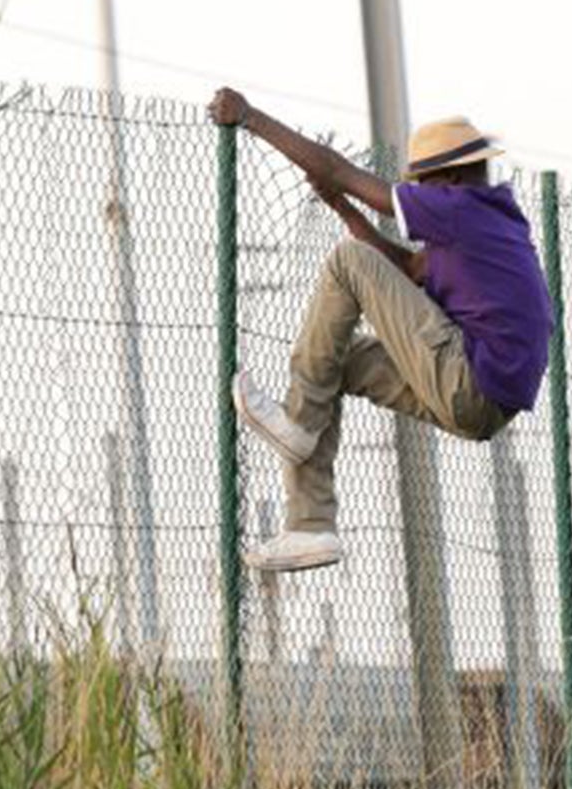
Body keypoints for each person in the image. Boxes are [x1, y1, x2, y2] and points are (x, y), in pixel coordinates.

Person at [207, 87, 552, 572]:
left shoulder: (458, 206)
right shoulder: (486, 225)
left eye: (421, 184)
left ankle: (300, 428)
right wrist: (342, 210)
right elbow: (409, 270)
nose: (416, 194)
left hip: (468, 378)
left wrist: (250, 118)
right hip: (480, 404)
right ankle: (310, 526)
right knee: (335, 365)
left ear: (449, 178)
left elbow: (338, 171)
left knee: (346, 260)